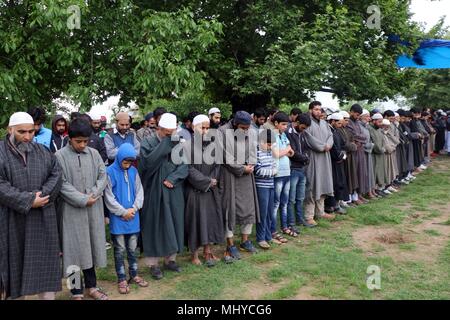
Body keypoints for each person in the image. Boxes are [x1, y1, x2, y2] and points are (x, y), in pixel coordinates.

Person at [0, 112, 62, 300]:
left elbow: (57, 174)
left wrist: (41, 197)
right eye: (21, 132)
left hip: (42, 219)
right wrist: (27, 200)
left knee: (44, 266)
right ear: (9, 130)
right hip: (12, 220)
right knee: (14, 268)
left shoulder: (43, 152)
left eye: (31, 132)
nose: (27, 137)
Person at [55, 119, 109, 300]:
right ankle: (76, 291)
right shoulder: (60, 156)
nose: (82, 145)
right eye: (79, 141)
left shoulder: (94, 154)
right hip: (71, 211)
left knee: (90, 247)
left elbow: (103, 175)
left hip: (93, 209)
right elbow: (61, 183)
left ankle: (92, 287)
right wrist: (82, 199)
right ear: (70, 138)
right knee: (73, 250)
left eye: (85, 141)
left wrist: (93, 194)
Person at [139, 113, 188, 279]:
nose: (170, 136)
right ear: (159, 128)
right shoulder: (147, 142)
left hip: (173, 189)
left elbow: (184, 165)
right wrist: (166, 144)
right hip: (153, 190)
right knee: (154, 225)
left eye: (172, 133)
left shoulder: (178, 142)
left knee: (174, 222)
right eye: (167, 133)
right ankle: (153, 264)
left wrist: (172, 179)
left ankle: (170, 260)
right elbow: (147, 164)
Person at [104, 143, 148, 294]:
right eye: (125, 162)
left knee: (132, 249)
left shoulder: (134, 171)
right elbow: (108, 197)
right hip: (118, 218)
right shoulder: (109, 172)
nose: (128, 165)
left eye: (130, 162)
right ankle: (122, 278)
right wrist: (123, 212)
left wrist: (134, 208)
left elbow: (139, 192)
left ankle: (134, 274)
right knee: (119, 250)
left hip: (133, 216)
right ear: (119, 158)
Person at [218, 111, 260, 261]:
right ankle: (230, 244)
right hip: (229, 175)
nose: (246, 130)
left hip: (247, 175)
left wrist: (251, 165)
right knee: (229, 209)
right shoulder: (222, 132)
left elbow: (254, 151)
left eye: (248, 127)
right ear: (235, 124)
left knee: (248, 208)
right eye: (243, 127)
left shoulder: (252, 131)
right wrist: (241, 168)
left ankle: (245, 241)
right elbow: (224, 157)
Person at [184, 115, 224, 266]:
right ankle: (194, 254)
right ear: (194, 128)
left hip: (211, 189)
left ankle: (208, 251)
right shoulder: (186, 146)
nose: (205, 131)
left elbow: (217, 165)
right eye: (202, 128)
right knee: (195, 221)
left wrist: (212, 180)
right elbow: (188, 168)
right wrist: (206, 181)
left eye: (208, 128)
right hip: (194, 190)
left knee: (210, 220)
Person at [303, 101, 335, 226]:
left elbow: (330, 136)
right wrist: (323, 146)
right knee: (312, 185)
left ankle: (320, 212)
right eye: (316, 109)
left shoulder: (324, 123)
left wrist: (328, 145)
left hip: (325, 158)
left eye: (319, 109)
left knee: (323, 183)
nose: (318, 111)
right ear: (310, 110)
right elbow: (309, 138)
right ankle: (308, 215)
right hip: (313, 158)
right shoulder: (307, 123)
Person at [271, 112, 295, 239]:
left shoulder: (283, 135)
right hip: (278, 173)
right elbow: (276, 154)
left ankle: (284, 227)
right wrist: (286, 150)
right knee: (276, 203)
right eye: (283, 124)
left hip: (287, 172)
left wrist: (285, 151)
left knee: (284, 202)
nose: (285, 127)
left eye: (286, 124)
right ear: (276, 123)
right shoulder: (271, 135)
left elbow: (292, 152)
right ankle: (273, 231)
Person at [254, 129, 279, 249]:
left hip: (270, 185)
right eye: (268, 144)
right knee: (262, 214)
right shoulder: (256, 152)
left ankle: (269, 236)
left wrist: (273, 171)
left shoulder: (269, 152)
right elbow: (257, 171)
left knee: (270, 212)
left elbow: (274, 165)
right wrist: (272, 172)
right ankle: (261, 238)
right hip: (261, 186)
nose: (270, 147)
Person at [286, 113, 312, 226]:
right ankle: (291, 222)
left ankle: (300, 220)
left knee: (300, 197)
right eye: (302, 127)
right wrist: (304, 158)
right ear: (297, 123)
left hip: (302, 169)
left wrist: (305, 158)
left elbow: (306, 149)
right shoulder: (288, 133)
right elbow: (291, 152)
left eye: (305, 128)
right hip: (292, 169)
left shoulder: (303, 134)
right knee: (291, 199)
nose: (303, 130)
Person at [326, 112, 349, 214]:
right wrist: (339, 156)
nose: (340, 126)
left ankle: (336, 204)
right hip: (332, 162)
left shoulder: (336, 131)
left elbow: (343, 144)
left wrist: (343, 154)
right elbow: (333, 148)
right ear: (333, 121)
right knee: (334, 184)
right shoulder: (329, 131)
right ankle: (332, 205)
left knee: (340, 182)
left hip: (338, 161)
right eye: (338, 123)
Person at [346, 104, 369, 203]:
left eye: (359, 115)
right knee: (354, 174)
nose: (358, 117)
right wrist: (360, 139)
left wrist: (360, 139)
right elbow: (353, 135)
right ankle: (353, 197)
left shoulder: (357, 122)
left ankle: (358, 195)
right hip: (352, 153)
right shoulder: (348, 122)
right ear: (351, 112)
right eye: (356, 114)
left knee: (360, 173)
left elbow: (363, 136)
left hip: (360, 151)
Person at [368, 113, 388, 196]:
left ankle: (377, 189)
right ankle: (372, 191)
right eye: (379, 122)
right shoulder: (369, 129)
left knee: (380, 172)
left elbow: (383, 140)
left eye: (381, 122)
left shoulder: (379, 129)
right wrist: (380, 149)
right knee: (374, 173)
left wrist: (383, 148)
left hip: (381, 154)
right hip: (374, 154)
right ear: (374, 121)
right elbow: (374, 142)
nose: (380, 124)